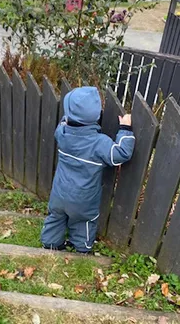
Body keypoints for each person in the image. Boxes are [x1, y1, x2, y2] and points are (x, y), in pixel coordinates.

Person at [41, 86, 135, 253]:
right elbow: (120, 153)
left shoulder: (62, 133)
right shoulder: (99, 143)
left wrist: (68, 117)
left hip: (59, 192)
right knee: (84, 221)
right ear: (97, 115)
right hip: (83, 199)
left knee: (55, 216)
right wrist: (125, 129)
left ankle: (50, 243)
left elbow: (64, 122)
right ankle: (82, 248)